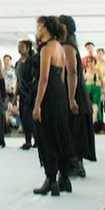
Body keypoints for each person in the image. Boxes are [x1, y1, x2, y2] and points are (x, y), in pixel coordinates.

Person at [32, 16, 74, 196]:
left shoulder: (46, 49)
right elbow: (63, 76)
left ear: (46, 28)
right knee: (60, 133)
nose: (37, 29)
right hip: (59, 94)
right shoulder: (60, 48)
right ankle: (64, 178)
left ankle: (51, 179)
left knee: (46, 135)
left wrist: (37, 104)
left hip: (48, 94)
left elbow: (44, 78)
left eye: (39, 26)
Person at [60, 16, 96, 176]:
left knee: (73, 127)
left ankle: (75, 163)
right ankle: (74, 162)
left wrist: (71, 97)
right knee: (73, 127)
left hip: (73, 91)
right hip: (73, 90)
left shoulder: (68, 46)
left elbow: (72, 72)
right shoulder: (68, 44)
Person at [14, 40, 38, 150]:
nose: (19, 48)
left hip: (32, 93)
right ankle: (28, 141)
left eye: (22, 46)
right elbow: (18, 80)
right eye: (19, 46)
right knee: (24, 117)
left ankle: (37, 140)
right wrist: (15, 95)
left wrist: (32, 92)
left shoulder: (32, 61)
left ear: (28, 48)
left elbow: (35, 78)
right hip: (22, 94)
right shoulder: (17, 63)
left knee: (32, 118)